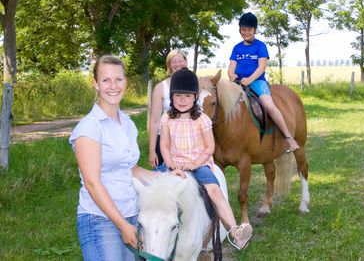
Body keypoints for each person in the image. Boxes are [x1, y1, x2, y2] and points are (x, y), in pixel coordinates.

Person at [69, 55, 184, 261]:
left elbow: (132, 170)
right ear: (95, 84)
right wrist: (122, 224)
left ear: (125, 82)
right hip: (100, 221)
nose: (113, 86)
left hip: (132, 214)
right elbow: (92, 183)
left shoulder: (128, 124)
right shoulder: (89, 127)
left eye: (118, 79)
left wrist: (166, 177)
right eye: (106, 80)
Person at [160, 67, 253, 250]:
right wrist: (170, 164)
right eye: (178, 96)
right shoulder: (167, 118)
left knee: (214, 191)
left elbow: (209, 147)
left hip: (199, 163)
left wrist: (196, 163)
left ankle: (235, 232)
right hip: (174, 163)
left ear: (195, 97)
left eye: (187, 96)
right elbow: (164, 145)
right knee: (151, 186)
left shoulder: (202, 119)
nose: (182, 100)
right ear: (171, 97)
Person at [227, 12, 299, 152]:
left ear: (254, 30)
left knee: (269, 106)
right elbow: (231, 67)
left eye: (249, 29)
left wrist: (249, 80)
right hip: (238, 83)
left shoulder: (261, 46)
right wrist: (231, 75)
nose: (246, 32)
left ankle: (288, 138)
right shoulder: (236, 48)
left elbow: (262, 67)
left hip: (257, 82)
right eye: (243, 29)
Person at [148, 50, 188, 172]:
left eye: (180, 60)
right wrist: (152, 150)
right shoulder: (161, 88)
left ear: (186, 62)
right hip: (165, 138)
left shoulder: (194, 83)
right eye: (173, 62)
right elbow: (154, 121)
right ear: (169, 65)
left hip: (188, 138)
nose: (177, 64)